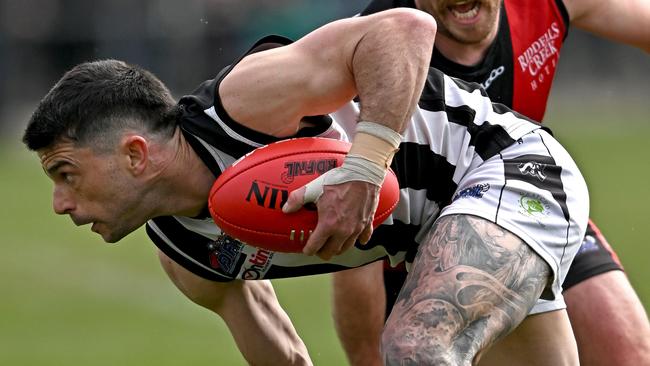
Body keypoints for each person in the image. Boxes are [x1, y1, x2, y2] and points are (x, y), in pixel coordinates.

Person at [23, 9, 590, 365]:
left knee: (415, 347)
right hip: (441, 236)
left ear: (135, 154)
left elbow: (406, 28)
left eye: (66, 174)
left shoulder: (244, 103)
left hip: (506, 167)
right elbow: (284, 358)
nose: (59, 204)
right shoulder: (186, 256)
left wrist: (366, 168)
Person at [331, 1, 650, 365]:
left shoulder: (544, 5)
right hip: (425, 253)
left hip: (530, 203)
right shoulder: (372, 47)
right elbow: (356, 233)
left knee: (628, 351)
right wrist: (365, 357)